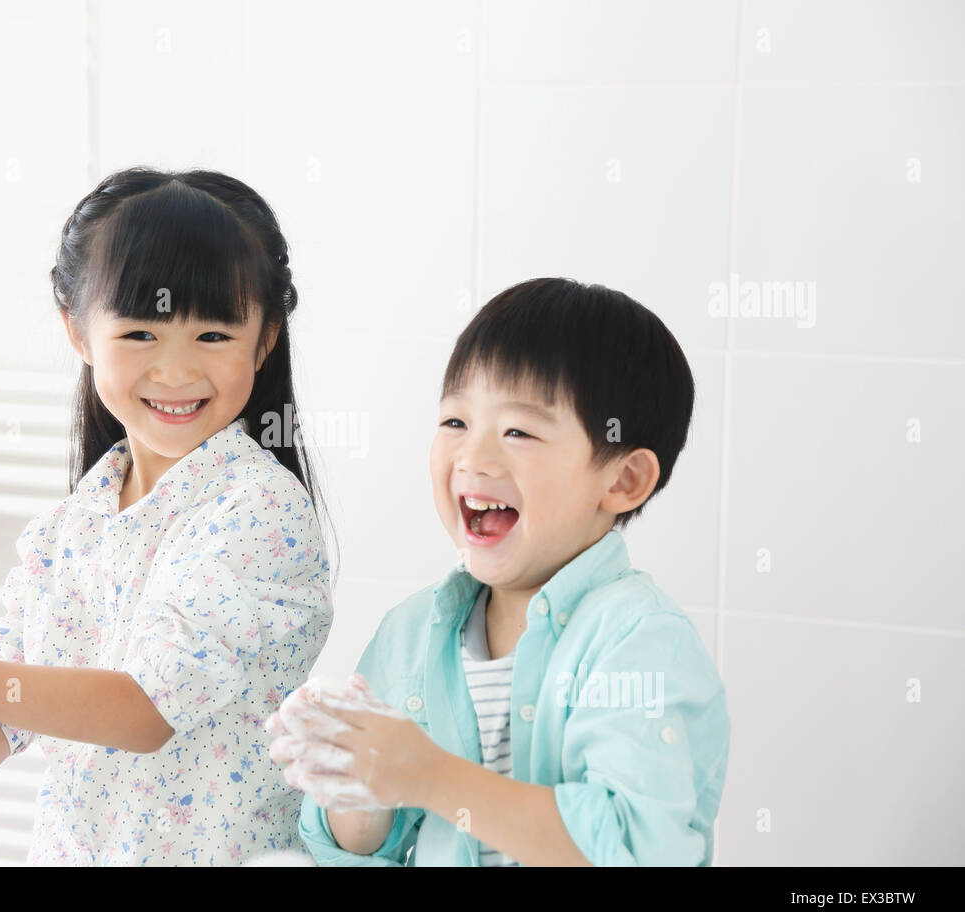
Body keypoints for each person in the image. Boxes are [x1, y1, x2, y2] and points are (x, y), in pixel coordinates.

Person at [0, 167, 334, 866]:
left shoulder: (259, 513)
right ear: (77, 331)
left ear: (265, 338)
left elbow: (141, 711)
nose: (173, 369)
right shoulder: (76, 525)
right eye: (139, 333)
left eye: (213, 336)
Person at [270, 277, 730, 866]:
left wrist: (430, 775)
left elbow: (633, 847)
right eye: (455, 422)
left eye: (519, 431)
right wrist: (353, 780)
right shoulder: (412, 633)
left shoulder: (640, 642)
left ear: (622, 480)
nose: (473, 457)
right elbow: (361, 849)